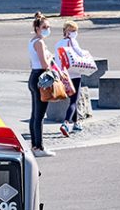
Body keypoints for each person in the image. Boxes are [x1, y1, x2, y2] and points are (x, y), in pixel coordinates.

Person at [27, 12, 55, 158]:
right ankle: (39, 147)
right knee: (40, 115)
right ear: (37, 28)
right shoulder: (39, 42)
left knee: (34, 114)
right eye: (44, 27)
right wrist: (50, 59)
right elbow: (44, 64)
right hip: (41, 77)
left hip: (33, 76)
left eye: (48, 27)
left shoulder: (32, 41)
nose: (47, 29)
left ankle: (35, 145)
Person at [55, 21, 86, 136]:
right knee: (74, 101)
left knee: (72, 100)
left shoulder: (58, 44)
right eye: (72, 30)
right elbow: (80, 54)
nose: (74, 33)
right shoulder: (72, 41)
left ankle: (76, 123)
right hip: (75, 73)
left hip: (63, 75)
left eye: (75, 30)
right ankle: (66, 123)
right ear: (66, 31)